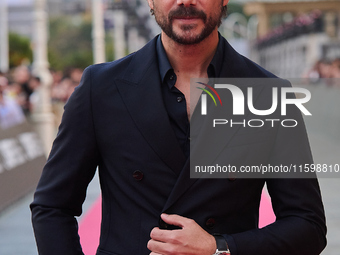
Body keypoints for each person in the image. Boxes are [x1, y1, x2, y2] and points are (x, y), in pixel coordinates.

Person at [31, 0, 327, 254]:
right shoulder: (101, 87)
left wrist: (219, 247)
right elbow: (52, 206)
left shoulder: (267, 93)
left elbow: (308, 225)